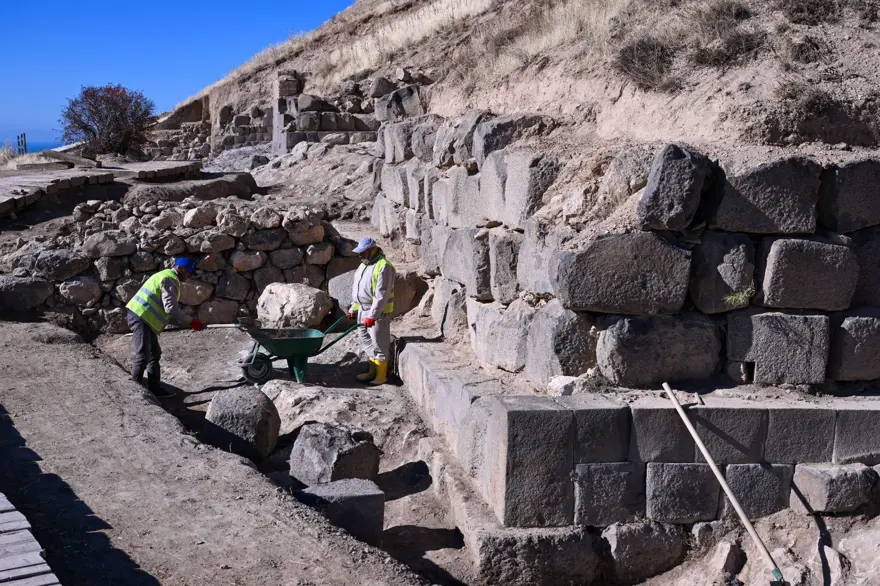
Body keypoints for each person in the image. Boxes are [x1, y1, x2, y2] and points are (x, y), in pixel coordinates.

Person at [126, 257, 204, 398]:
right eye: (188, 272)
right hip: (141, 317)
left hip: (144, 317)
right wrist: (191, 321)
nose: (189, 276)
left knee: (153, 354)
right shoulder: (170, 279)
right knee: (143, 355)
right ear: (180, 269)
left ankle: (155, 389)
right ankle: (134, 394)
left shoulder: (167, 275)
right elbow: (170, 308)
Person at [346, 237, 395, 386]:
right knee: (366, 341)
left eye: (363, 252)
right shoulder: (364, 265)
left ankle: (381, 376)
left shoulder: (384, 267)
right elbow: (358, 290)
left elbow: (381, 296)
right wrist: (353, 308)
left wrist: (373, 316)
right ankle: (372, 371)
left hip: (377, 313)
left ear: (372, 250)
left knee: (379, 343)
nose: (360, 255)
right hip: (362, 309)